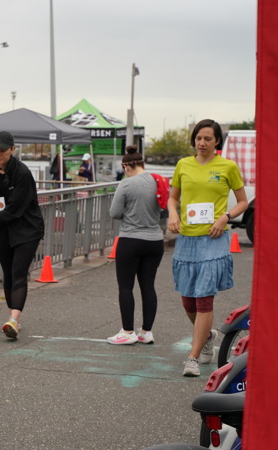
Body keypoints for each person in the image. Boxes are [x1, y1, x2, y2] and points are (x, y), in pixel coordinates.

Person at [168, 119, 248, 377]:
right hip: (187, 240)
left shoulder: (228, 167)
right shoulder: (183, 164)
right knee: (188, 301)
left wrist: (225, 217)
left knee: (204, 297)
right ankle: (207, 337)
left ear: (217, 142)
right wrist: (173, 214)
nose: (202, 143)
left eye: (207, 139)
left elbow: (243, 202)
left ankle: (193, 357)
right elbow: (173, 197)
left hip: (214, 239)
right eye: (198, 138)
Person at [0, 131, 45, 339]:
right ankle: (13, 317)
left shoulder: (22, 173)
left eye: (3, 150)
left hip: (27, 227)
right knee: (7, 272)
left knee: (18, 271)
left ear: (12, 150)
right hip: (2, 226)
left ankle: (14, 319)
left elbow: (16, 207)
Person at [106, 147, 164, 345]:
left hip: (130, 240)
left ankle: (128, 331)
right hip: (155, 240)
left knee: (125, 286)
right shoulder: (158, 181)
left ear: (126, 166)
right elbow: (165, 209)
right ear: (143, 164)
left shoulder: (126, 184)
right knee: (148, 286)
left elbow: (114, 212)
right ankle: (146, 332)